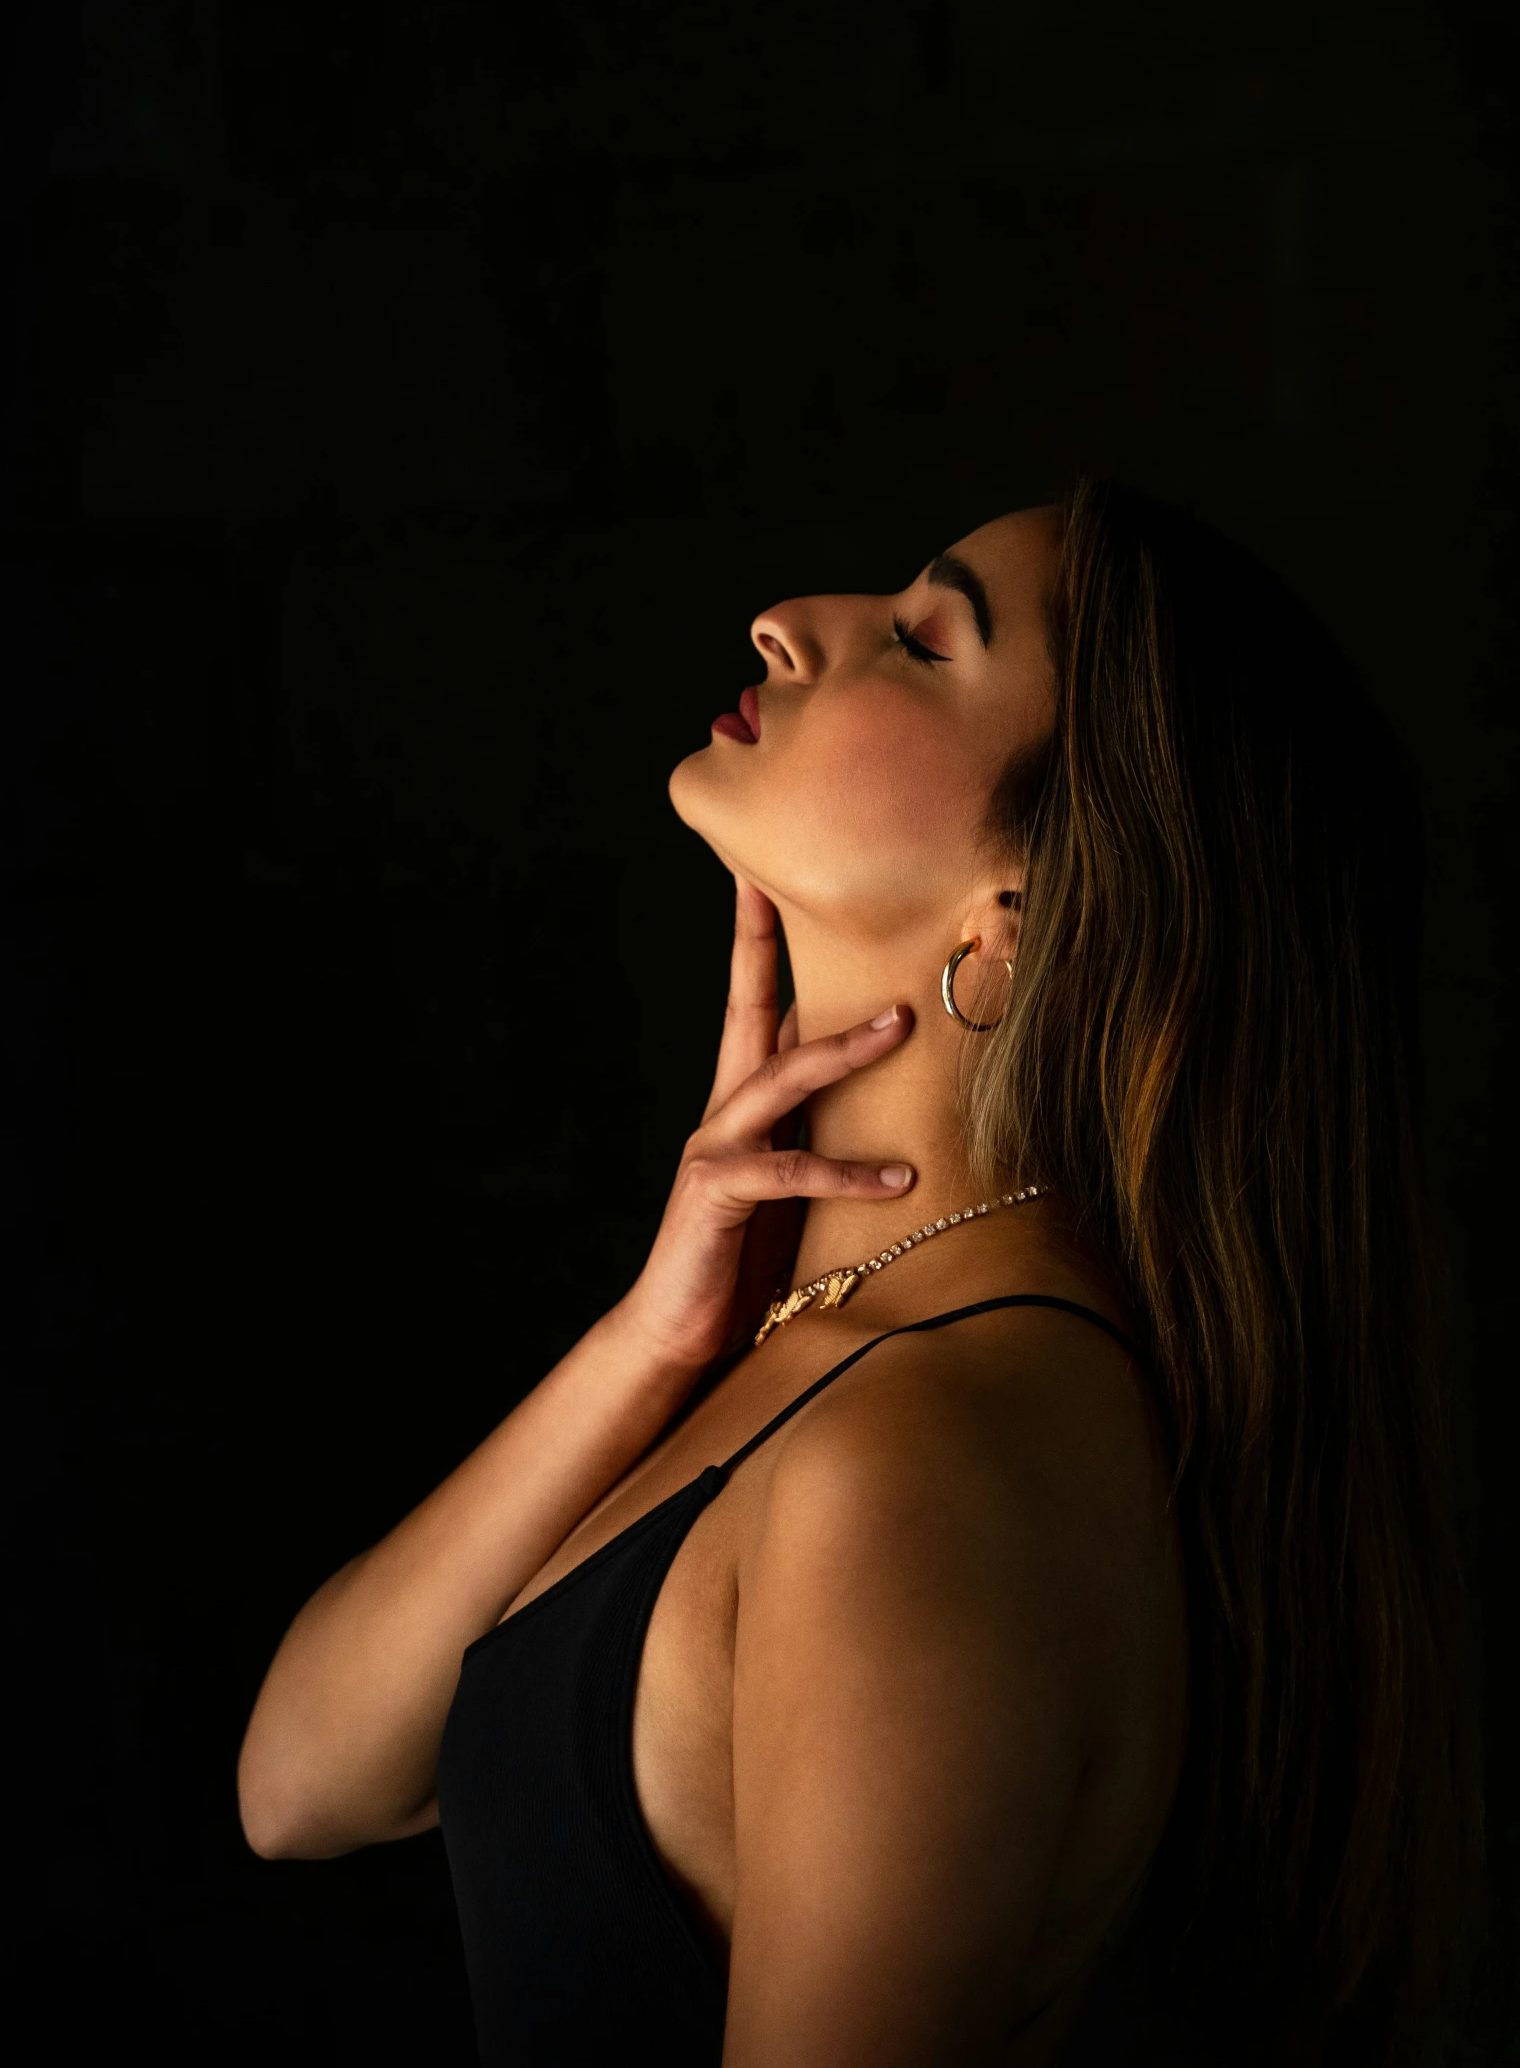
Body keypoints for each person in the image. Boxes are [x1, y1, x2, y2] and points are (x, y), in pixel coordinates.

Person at [238, 481, 1480, 2064]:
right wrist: (651, 1331)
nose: (787, 622)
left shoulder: (925, 1454)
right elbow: (303, 1783)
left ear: (1016, 920)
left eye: (916, 637)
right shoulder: (829, 1353)